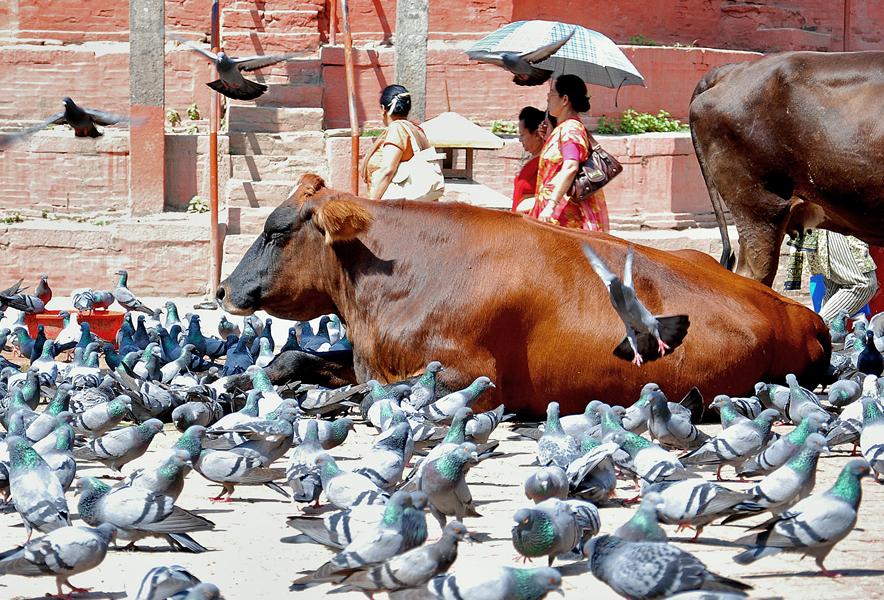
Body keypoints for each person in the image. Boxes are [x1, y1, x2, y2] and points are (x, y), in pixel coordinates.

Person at [531, 74, 609, 231]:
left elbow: (571, 167)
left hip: (561, 213)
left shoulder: (570, 130)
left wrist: (551, 205)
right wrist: (550, 136)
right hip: (555, 210)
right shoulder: (563, 129)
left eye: (552, 94)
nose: (548, 99)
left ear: (565, 99)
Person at [358, 84, 440, 201]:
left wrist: (372, 203)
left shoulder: (397, 129)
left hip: (395, 207)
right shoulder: (417, 130)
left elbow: (388, 170)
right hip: (413, 205)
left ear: (383, 109)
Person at [784, 229, 877, 323]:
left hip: (825, 231)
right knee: (865, 283)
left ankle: (820, 329)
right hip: (835, 228)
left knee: (833, 290)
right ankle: (815, 329)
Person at [512, 107, 555, 213]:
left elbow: (551, 193)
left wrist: (523, 207)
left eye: (522, 135)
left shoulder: (546, 163)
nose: (520, 140)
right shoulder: (533, 160)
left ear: (536, 135)